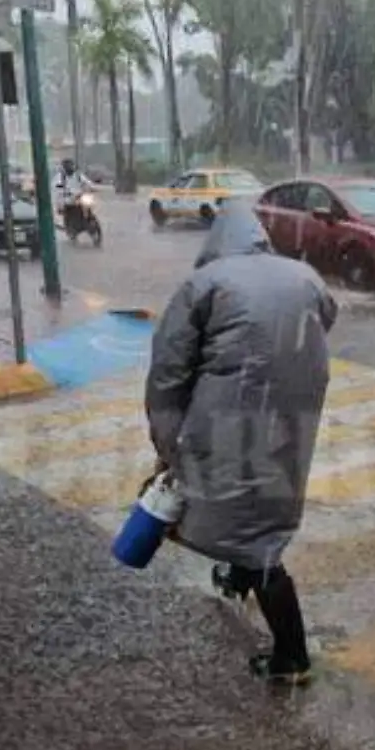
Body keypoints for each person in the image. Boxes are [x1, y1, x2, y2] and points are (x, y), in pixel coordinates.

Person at [145, 201, 338, 684]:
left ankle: (292, 657)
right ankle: (237, 575)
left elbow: (168, 374)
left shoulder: (204, 285)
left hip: (227, 420)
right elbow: (322, 320)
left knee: (252, 531)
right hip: (292, 417)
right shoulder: (305, 276)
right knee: (257, 510)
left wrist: (168, 446)